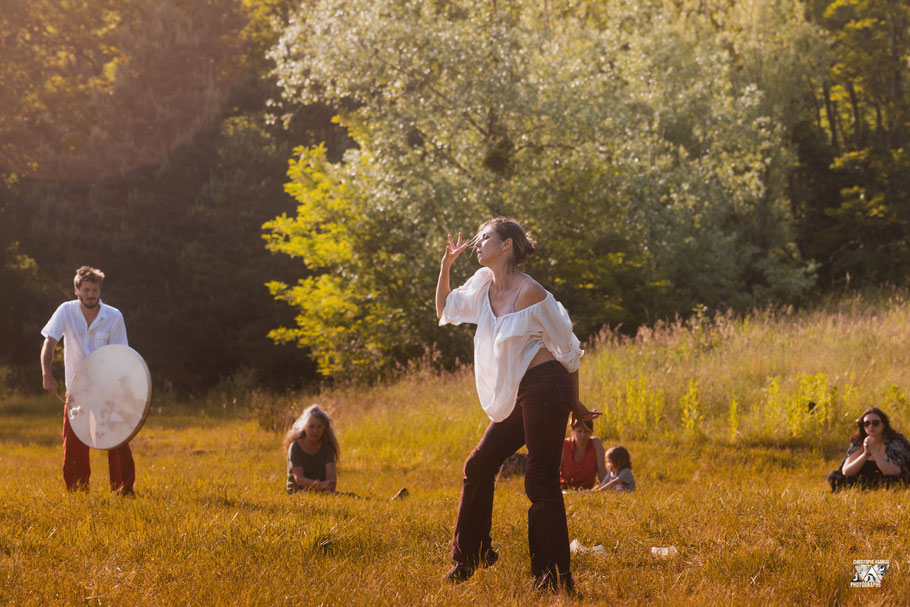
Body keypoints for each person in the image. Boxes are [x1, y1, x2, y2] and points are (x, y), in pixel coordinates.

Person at [436, 217, 600, 592]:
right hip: (519, 390)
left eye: (485, 238)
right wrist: (446, 266)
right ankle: (469, 558)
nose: (477, 244)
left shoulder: (532, 293)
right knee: (478, 464)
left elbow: (568, 349)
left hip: (546, 385)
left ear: (507, 245)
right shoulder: (481, 288)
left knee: (540, 480)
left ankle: (554, 579)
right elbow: (444, 309)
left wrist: (574, 402)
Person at [40, 265, 135, 494]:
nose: (90, 294)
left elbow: (121, 355)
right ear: (77, 290)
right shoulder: (65, 311)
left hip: (107, 390)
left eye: (94, 290)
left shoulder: (113, 316)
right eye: (86, 290)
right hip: (77, 390)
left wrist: (123, 392)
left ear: (99, 290)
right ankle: (78, 490)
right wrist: (47, 374)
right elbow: (49, 343)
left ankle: (123, 489)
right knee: (74, 444)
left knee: (117, 440)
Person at [827, 407, 910, 492]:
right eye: (867, 423)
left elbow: (893, 471)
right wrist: (865, 454)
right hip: (864, 479)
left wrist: (874, 451)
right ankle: (863, 488)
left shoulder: (894, 442)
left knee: (896, 481)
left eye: (875, 423)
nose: (871, 426)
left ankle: (873, 489)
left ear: (883, 424)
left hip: (887, 478)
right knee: (834, 476)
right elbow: (846, 471)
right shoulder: (858, 441)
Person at [284, 404, 339, 494]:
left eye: (319, 427)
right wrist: (321, 485)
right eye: (311, 426)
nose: (315, 431)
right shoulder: (295, 446)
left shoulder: (327, 447)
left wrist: (327, 487)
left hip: (321, 491)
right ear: (304, 427)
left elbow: (331, 479)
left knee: (352, 497)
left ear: (324, 429)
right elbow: (299, 479)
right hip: (297, 491)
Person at [559, 419, 607, 490]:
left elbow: (602, 472)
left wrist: (610, 486)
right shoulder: (564, 445)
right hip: (565, 490)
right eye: (579, 431)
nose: (583, 435)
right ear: (572, 430)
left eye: (586, 431)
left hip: (587, 491)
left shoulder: (596, 444)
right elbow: (555, 471)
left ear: (591, 432)